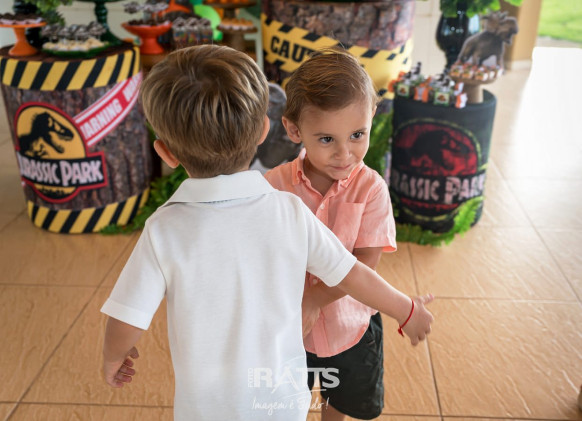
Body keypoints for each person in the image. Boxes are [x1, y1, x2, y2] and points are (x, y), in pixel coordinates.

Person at [101, 44, 434, 421]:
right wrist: (405, 309)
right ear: (264, 130)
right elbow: (352, 273)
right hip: (280, 404)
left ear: (166, 153)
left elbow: (128, 314)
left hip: (205, 407)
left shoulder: (162, 230)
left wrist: (114, 357)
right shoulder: (288, 210)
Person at [264, 48, 403, 421]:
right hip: (289, 329)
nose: (345, 154)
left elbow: (366, 263)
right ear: (294, 130)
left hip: (351, 327)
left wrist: (314, 299)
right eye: (327, 139)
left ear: (371, 117)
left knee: (340, 402)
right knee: (284, 402)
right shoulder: (273, 186)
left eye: (357, 135)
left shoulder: (371, 189)